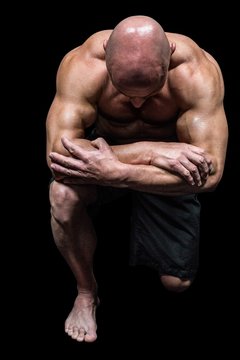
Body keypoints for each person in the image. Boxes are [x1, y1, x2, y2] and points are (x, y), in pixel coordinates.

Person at [46, 15, 228, 342]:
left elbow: (211, 174)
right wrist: (150, 149)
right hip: (134, 156)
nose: (137, 103)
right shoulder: (82, 66)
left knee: (177, 284)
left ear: (169, 56)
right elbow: (58, 157)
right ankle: (86, 291)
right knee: (62, 194)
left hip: (170, 167)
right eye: (125, 92)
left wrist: (123, 172)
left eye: (150, 92)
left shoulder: (197, 73)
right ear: (106, 56)